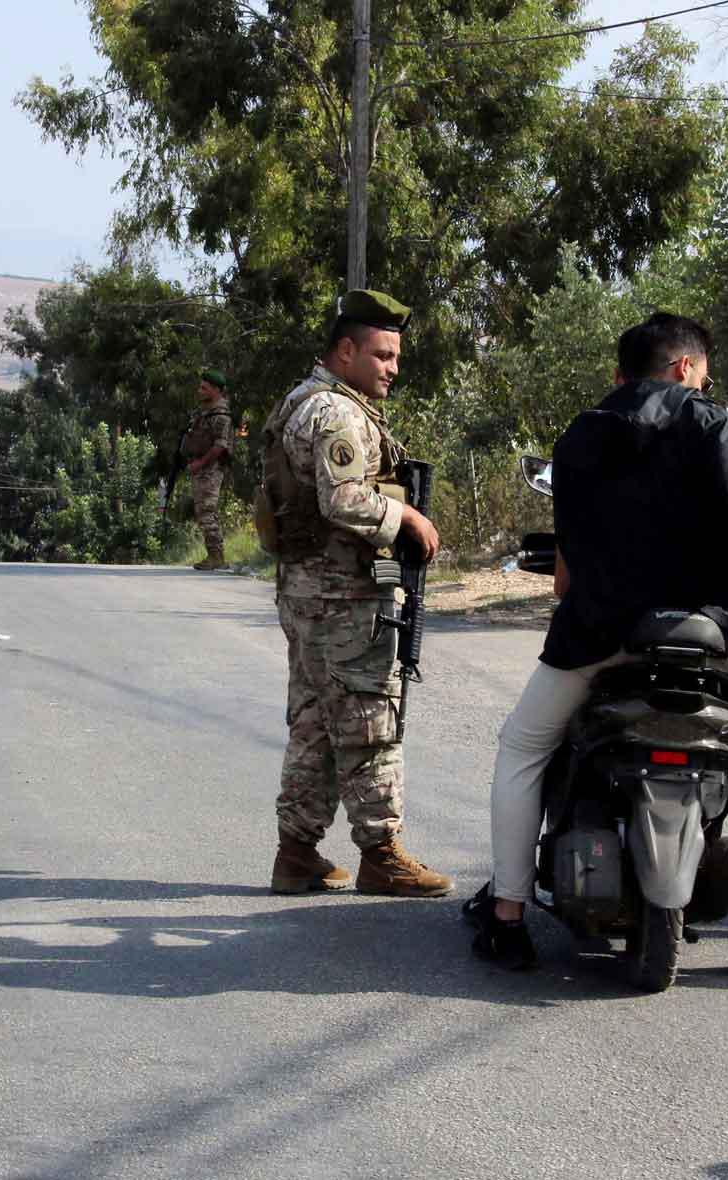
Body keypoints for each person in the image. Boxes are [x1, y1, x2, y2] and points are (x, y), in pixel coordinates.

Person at [463, 313, 728, 976]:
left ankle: (507, 917)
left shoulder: (581, 434)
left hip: (601, 636)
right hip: (713, 637)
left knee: (524, 747)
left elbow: (570, 554)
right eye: (703, 372)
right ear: (684, 367)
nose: (704, 382)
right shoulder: (709, 421)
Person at [260, 289, 451, 898]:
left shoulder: (303, 400)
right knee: (369, 720)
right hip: (341, 598)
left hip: (308, 590)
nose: (392, 368)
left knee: (316, 722)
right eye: (382, 355)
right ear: (346, 351)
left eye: (395, 355)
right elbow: (341, 498)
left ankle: (297, 853)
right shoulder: (337, 414)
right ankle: (380, 853)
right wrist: (409, 523)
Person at [183, 368, 235, 570]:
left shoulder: (221, 415)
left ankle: (217, 556)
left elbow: (220, 446)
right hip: (202, 468)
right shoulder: (204, 413)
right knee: (203, 511)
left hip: (211, 469)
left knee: (206, 511)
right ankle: (214, 555)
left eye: (204, 388)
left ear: (216, 390)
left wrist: (200, 463)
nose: (199, 391)